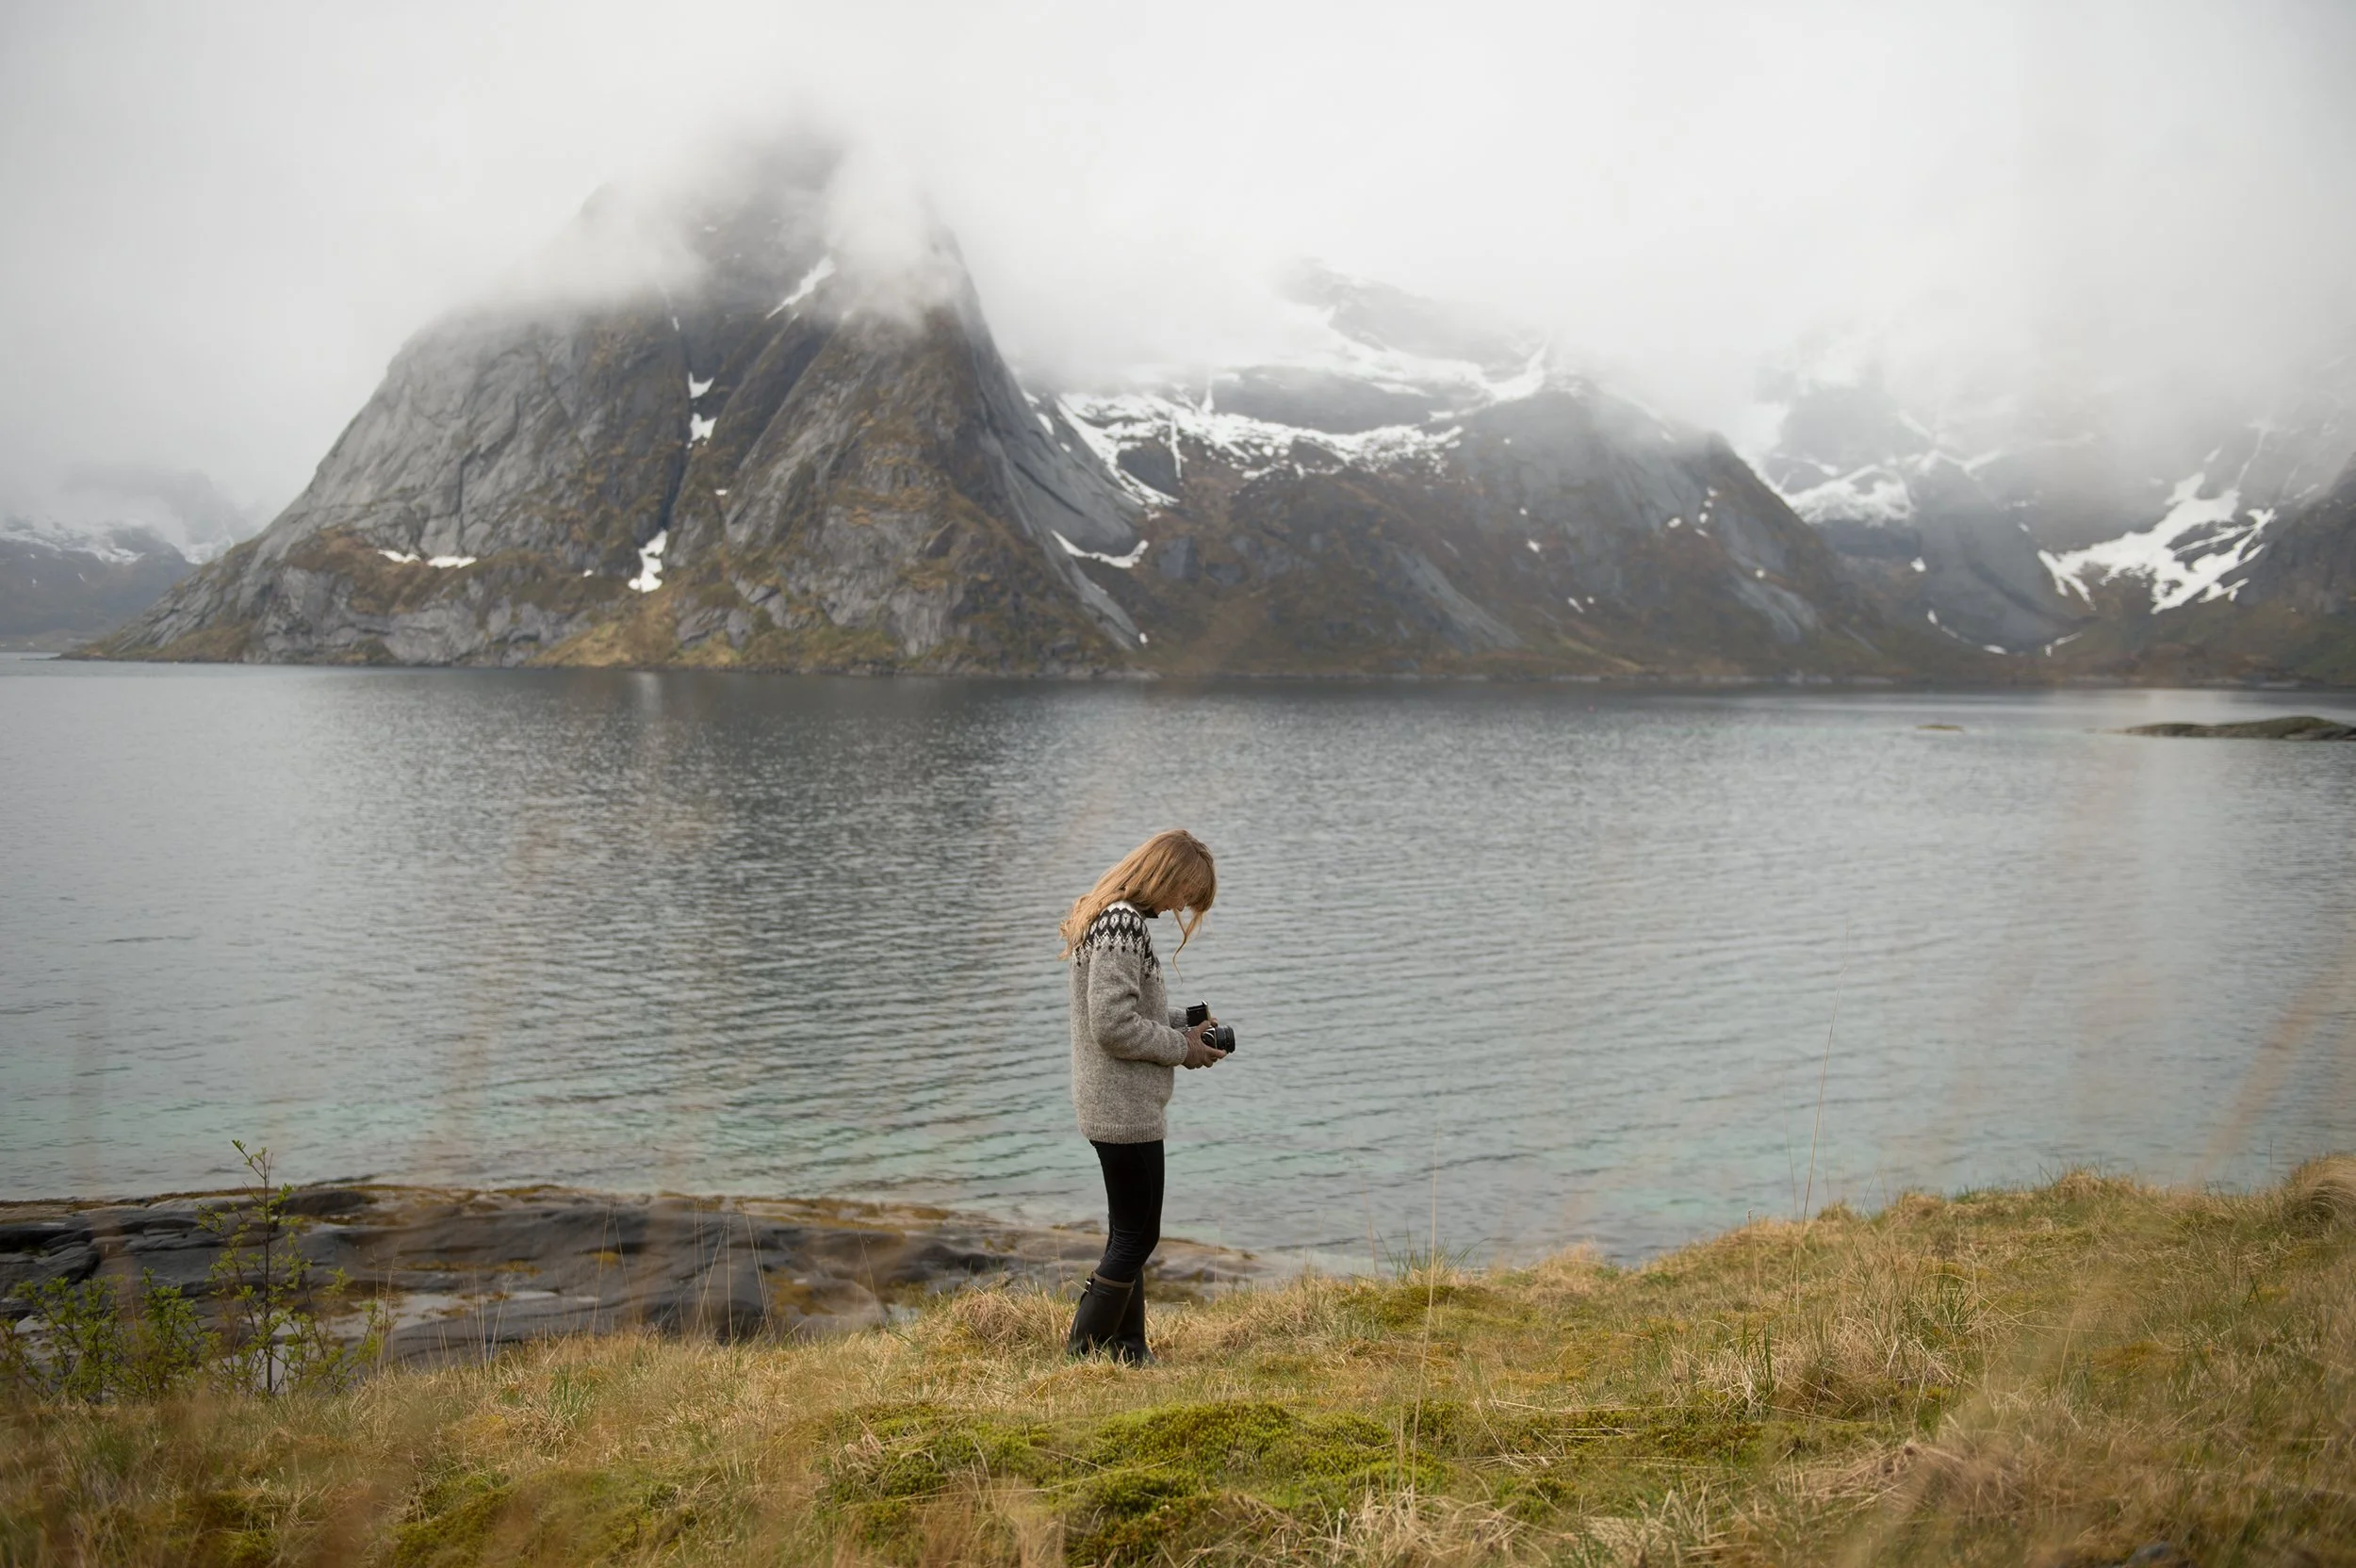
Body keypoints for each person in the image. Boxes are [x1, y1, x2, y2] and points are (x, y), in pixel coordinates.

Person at [1059, 828, 1228, 1363]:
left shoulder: (1111, 917)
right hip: (1122, 1106)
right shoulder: (1122, 923)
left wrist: (1189, 1022)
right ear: (1167, 876)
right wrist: (1183, 1048)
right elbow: (1111, 1027)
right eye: (1186, 894)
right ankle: (1083, 1353)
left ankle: (1129, 1350)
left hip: (1117, 1102)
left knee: (1128, 1233)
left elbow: (1129, 1015)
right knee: (1137, 1236)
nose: (1182, 907)